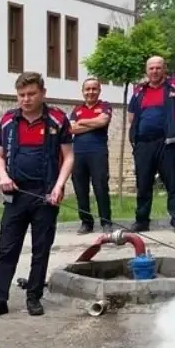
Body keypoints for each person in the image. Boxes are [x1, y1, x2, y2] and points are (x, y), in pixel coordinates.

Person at [0, 71, 74, 319]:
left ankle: (34, 297)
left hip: (46, 196)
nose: (26, 99)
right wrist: (3, 176)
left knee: (41, 249)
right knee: (7, 248)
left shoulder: (57, 119)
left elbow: (69, 156)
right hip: (15, 195)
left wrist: (59, 186)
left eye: (31, 94)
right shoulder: (9, 120)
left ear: (43, 93)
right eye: (21, 95)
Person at [127, 55, 175, 234]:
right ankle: (141, 221)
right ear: (146, 71)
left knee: (173, 182)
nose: (154, 71)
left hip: (167, 143)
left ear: (164, 69)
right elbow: (131, 116)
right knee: (143, 183)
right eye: (151, 68)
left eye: (158, 68)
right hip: (143, 144)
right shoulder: (139, 90)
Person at [68, 78, 113, 234]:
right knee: (80, 189)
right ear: (83, 91)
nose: (91, 92)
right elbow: (71, 129)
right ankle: (86, 222)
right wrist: (93, 123)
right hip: (78, 154)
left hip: (98, 152)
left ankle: (106, 222)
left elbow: (103, 121)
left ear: (99, 91)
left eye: (94, 89)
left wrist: (82, 122)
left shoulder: (105, 106)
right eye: (87, 89)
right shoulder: (76, 109)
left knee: (101, 187)